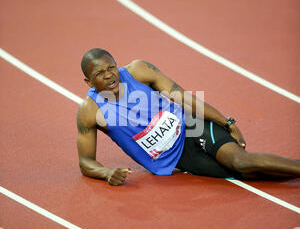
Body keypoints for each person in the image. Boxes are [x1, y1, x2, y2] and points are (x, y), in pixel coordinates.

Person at [77, 48, 300, 186]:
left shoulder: (139, 71)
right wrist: (106, 173)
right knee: (242, 173)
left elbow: (184, 99)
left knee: (240, 161)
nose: (109, 75)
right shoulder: (90, 111)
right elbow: (86, 162)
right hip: (176, 158)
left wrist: (227, 122)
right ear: (88, 82)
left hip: (192, 125)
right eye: (99, 73)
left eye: (111, 67)